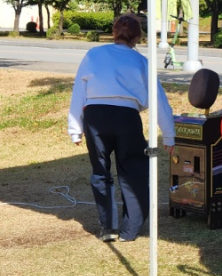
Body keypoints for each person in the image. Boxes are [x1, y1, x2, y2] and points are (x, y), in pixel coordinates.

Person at [67, 14, 174, 243]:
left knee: (100, 171)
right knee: (133, 170)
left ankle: (108, 227)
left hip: (96, 114)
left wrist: (75, 128)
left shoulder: (94, 54)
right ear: (138, 37)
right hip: (127, 116)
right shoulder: (141, 61)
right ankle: (130, 230)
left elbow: (79, 92)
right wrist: (169, 135)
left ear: (113, 32)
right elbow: (158, 99)